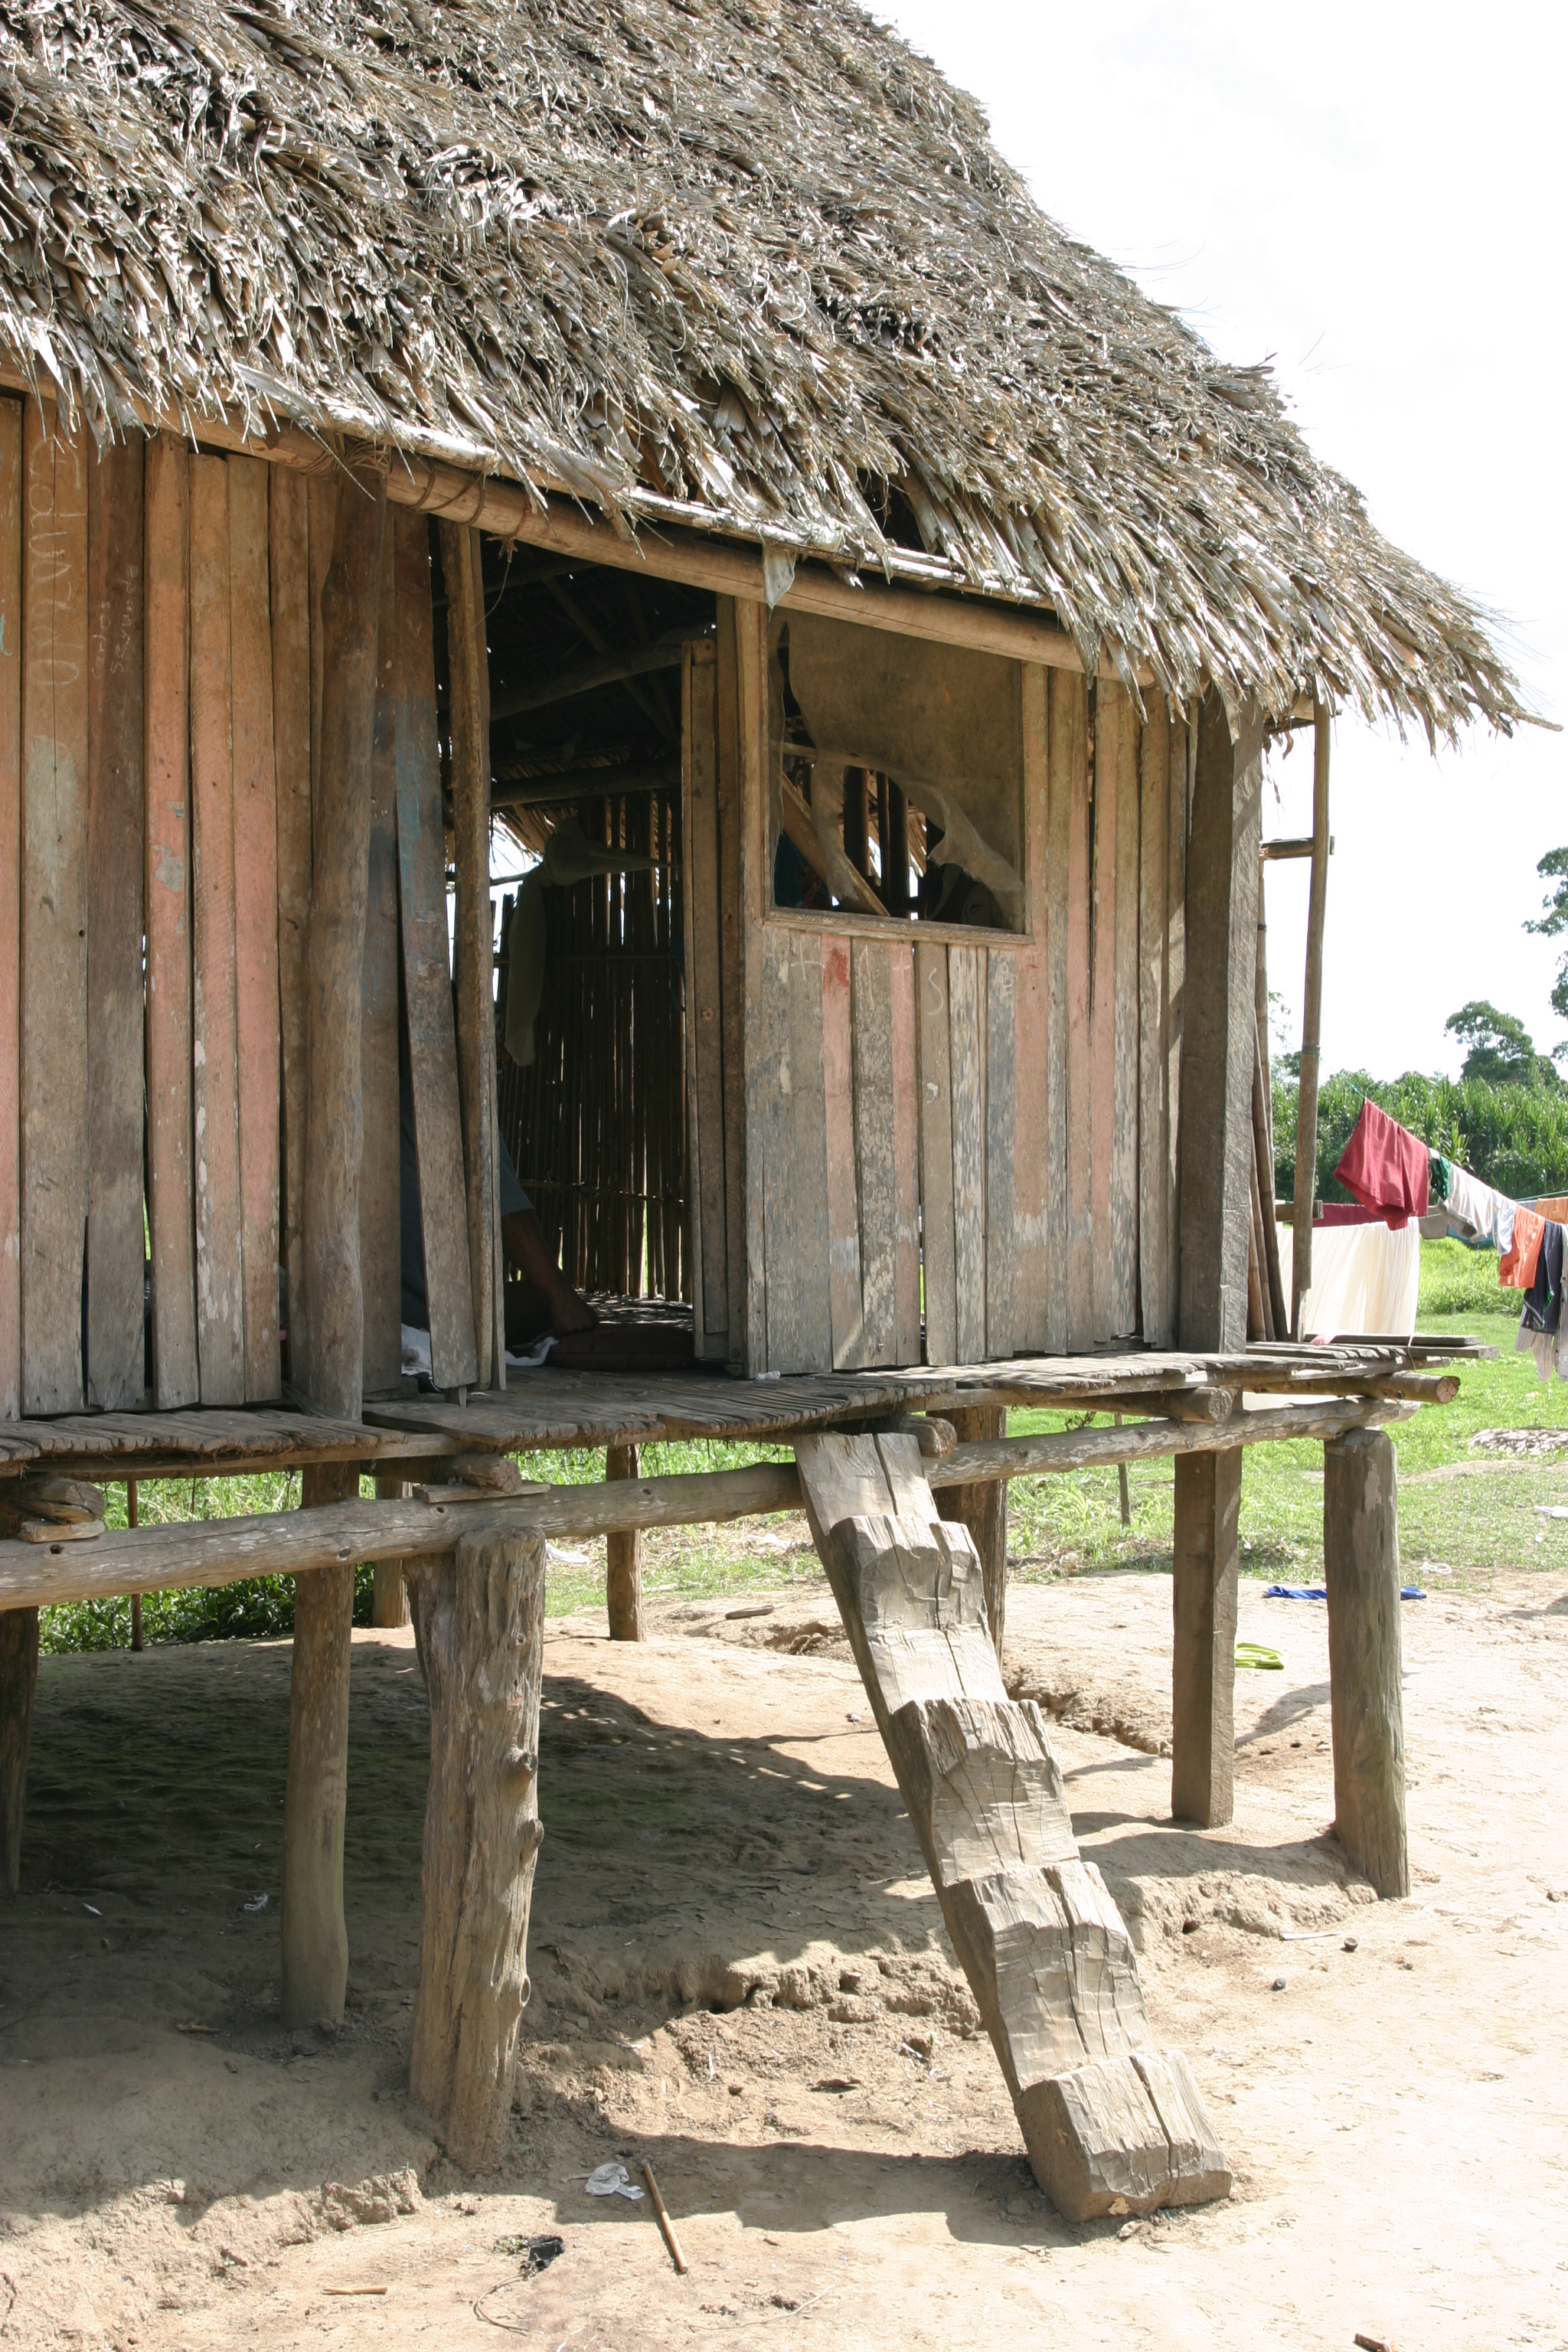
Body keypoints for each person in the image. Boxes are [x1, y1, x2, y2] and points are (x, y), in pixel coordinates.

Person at [399, 1044, 596, 1354]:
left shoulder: (388, 1100)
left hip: (389, 1312)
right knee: (540, 1300)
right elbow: (507, 1212)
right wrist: (561, 1297)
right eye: (489, 1041)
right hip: (430, 1316)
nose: (502, 1056)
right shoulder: (453, 1109)